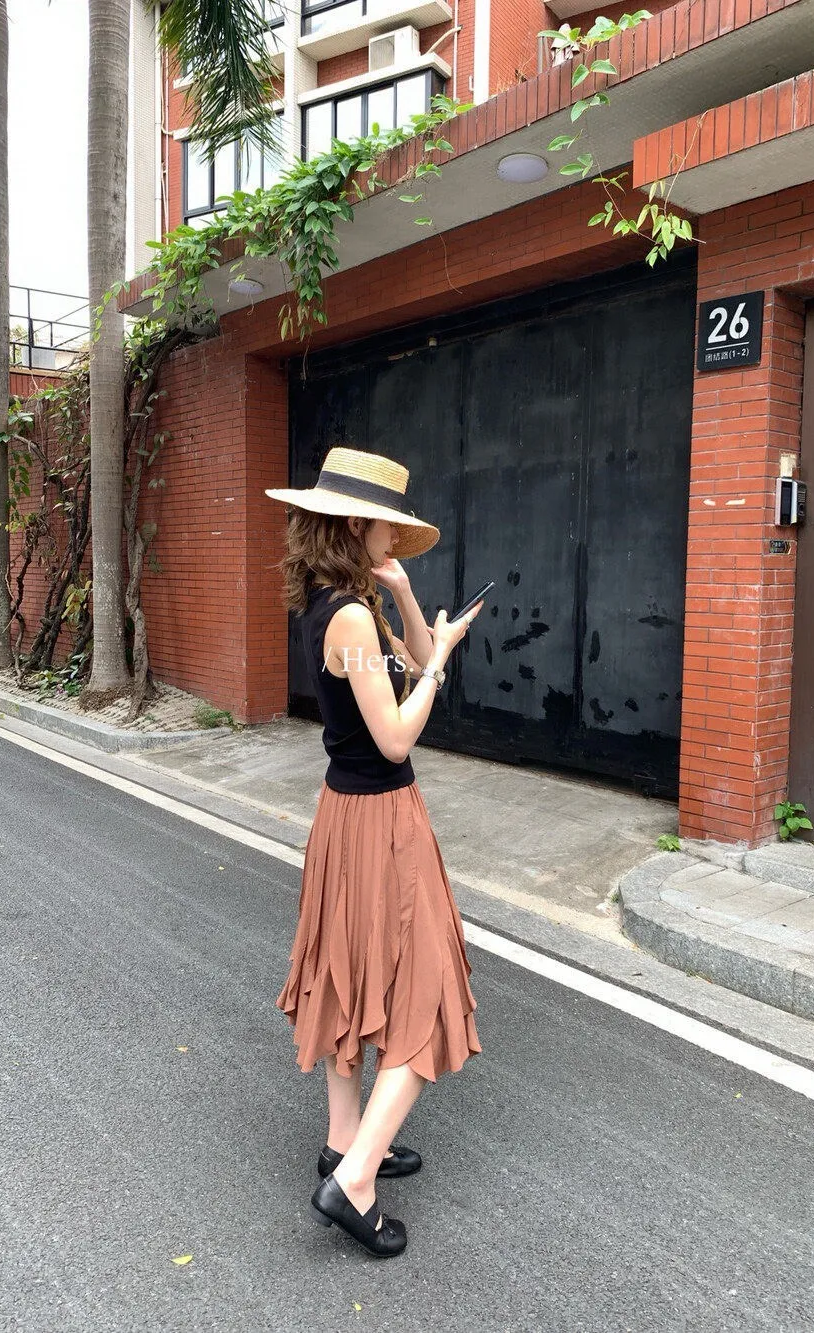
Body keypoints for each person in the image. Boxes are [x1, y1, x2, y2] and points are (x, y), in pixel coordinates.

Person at [265, 446, 484, 1259]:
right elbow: (395, 735)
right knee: (427, 990)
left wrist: (409, 597)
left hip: (346, 816)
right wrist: (439, 670)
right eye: (389, 524)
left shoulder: (348, 602)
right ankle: (354, 1182)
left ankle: (344, 1141)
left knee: (350, 975)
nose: (398, 534)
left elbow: (418, 659)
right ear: (357, 523)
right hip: (381, 817)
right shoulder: (351, 619)